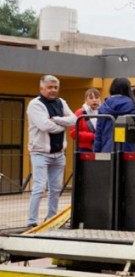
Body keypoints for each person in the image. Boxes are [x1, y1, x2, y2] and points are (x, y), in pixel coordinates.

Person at [26, 75, 77, 227]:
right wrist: (63, 124)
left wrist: (56, 119)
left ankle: (51, 219)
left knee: (56, 189)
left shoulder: (61, 102)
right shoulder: (35, 105)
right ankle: (32, 222)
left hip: (59, 153)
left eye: (55, 87)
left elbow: (74, 119)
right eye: (50, 87)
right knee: (39, 188)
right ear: (41, 88)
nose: (53, 90)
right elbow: (44, 126)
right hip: (40, 153)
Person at [93, 78, 135, 153]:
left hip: (107, 151)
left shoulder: (104, 106)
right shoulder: (132, 105)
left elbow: (98, 134)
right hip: (128, 152)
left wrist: (96, 153)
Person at [71, 88, 101, 152]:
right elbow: (73, 133)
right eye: (91, 98)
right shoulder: (79, 113)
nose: (94, 100)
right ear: (85, 100)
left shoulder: (103, 112)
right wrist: (93, 136)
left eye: (96, 97)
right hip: (84, 148)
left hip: (100, 147)